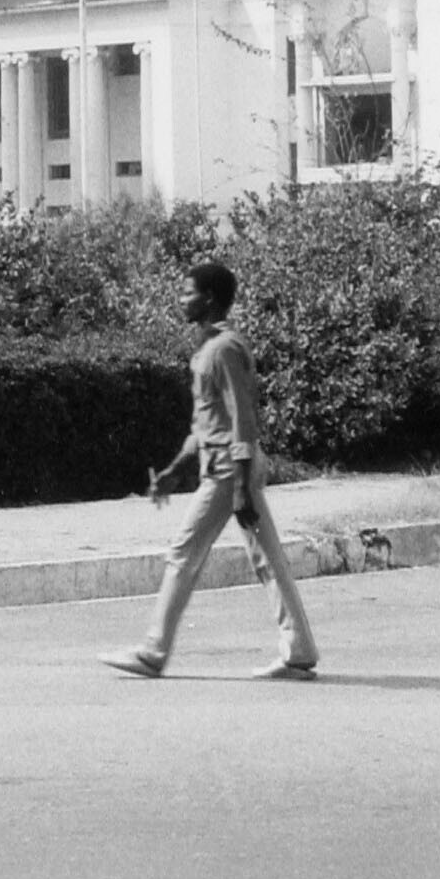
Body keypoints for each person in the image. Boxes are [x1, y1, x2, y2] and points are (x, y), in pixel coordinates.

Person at [103, 261, 320, 682]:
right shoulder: (210, 349)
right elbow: (207, 423)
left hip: (228, 471)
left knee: (183, 553)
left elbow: (242, 419)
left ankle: (153, 652)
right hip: (224, 466)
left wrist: (240, 485)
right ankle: (299, 650)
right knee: (267, 558)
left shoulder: (224, 350)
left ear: (209, 299)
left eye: (188, 292)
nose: (181, 299)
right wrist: (175, 469)